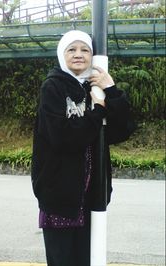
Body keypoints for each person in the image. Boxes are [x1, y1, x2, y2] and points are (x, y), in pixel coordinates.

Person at [31, 30, 134, 266]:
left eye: (85, 50)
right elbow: (63, 137)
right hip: (59, 197)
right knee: (63, 261)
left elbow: (124, 129)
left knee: (88, 259)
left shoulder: (94, 89)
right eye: (72, 49)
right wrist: (97, 112)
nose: (78, 55)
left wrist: (111, 90)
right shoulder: (53, 88)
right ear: (61, 54)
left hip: (92, 196)